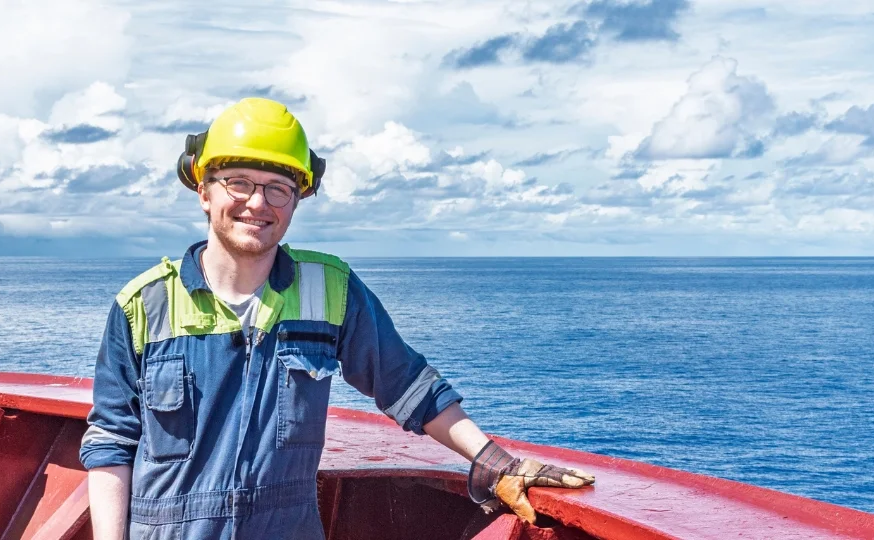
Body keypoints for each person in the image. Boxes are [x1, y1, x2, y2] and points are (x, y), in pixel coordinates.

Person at [80, 97, 595, 539]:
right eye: (238, 182)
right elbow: (112, 440)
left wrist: (494, 462)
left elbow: (406, 383)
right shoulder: (143, 305)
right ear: (204, 190)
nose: (257, 202)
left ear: (296, 201)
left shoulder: (329, 290)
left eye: (278, 187)